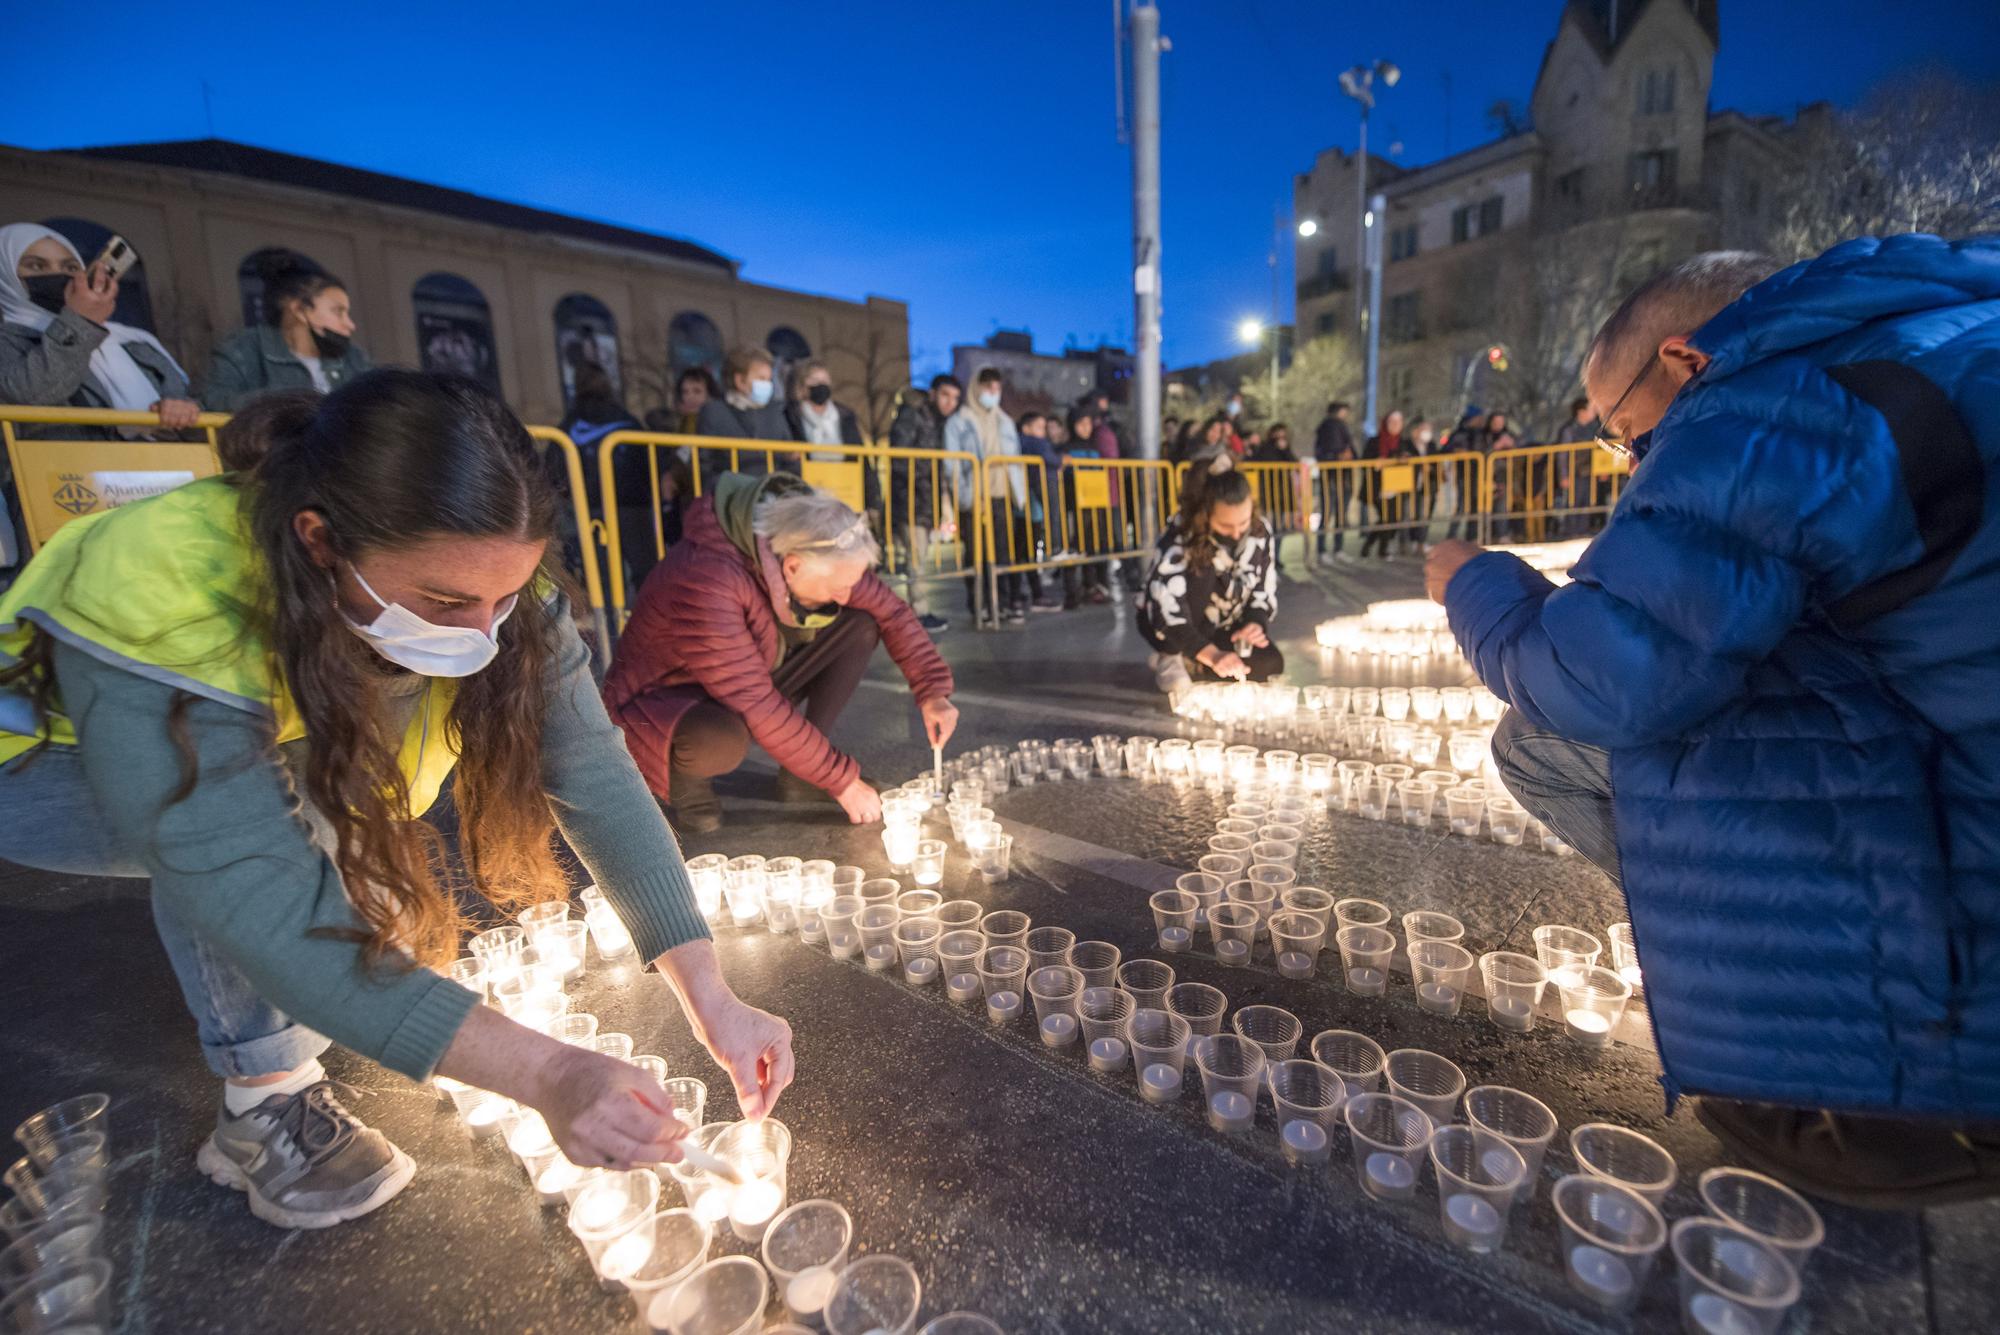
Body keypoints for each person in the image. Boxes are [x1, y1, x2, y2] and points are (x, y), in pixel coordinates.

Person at [0, 370, 791, 1228]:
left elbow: (595, 775)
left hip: (251, 755)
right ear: (318, 541)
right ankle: (263, 1104)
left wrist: (711, 993)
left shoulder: (496, 591)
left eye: (504, 597)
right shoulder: (169, 585)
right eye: (445, 601)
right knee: (278, 822)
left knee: (318, 817)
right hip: (44, 772)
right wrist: (548, 1074)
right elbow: (252, 880)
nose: (480, 632)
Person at [1426, 238, 2000, 1208]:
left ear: (1685, 359)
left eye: (1623, 433)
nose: (1631, 462)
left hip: (1951, 1013)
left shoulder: (1771, 404)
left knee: (1538, 745)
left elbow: (1599, 679)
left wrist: (1475, 584)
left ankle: (1791, 1007)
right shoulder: (1938, 336)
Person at [603, 474, 959, 834]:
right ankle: (686, 785)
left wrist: (933, 692)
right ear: (792, 566)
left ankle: (799, 774)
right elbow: (755, 701)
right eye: (838, 587)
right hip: (663, 703)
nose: (843, 596)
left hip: (740, 674)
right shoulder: (708, 579)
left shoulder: (819, 550)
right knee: (720, 742)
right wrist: (842, 780)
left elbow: (891, 612)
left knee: (860, 623)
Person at [0, 223, 198, 430]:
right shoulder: (9, 342)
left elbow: (192, 413)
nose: (58, 275)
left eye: (70, 268)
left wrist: (183, 413)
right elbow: (33, 395)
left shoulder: (133, 341)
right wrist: (80, 323)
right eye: (37, 266)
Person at [1139, 460, 1278, 694]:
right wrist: (1213, 655)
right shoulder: (1182, 535)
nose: (1236, 533)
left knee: (1269, 664)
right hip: (1174, 623)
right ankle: (1172, 655)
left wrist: (1254, 623)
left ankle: (1196, 658)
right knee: (1202, 574)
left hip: (1224, 623)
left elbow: (1263, 587)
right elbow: (1165, 605)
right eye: (1225, 525)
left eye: (1242, 523)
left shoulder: (1259, 531)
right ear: (1206, 514)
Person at [206, 251, 371, 410]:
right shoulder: (242, 351)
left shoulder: (354, 358)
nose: (350, 324)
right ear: (299, 310)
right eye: (338, 312)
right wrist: (284, 399)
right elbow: (213, 401)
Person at [560, 363, 661, 590]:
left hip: (591, 507)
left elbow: (555, 467)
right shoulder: (627, 421)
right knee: (645, 569)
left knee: (603, 576)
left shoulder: (570, 426)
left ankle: (609, 621)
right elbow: (647, 462)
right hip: (632, 504)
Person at [946, 368, 1023, 625]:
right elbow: (952, 464)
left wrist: (1017, 493)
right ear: (975, 388)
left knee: (1002, 553)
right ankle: (980, 604)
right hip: (975, 498)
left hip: (1001, 496)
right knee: (977, 554)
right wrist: (964, 495)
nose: (993, 392)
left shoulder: (1005, 422)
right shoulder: (960, 422)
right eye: (988, 386)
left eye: (997, 387)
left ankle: (1001, 603)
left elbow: (1016, 460)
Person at [886, 375, 959, 632]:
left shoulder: (941, 423)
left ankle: (917, 609)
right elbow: (900, 457)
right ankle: (919, 610)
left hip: (928, 501)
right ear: (933, 393)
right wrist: (918, 482)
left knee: (920, 555)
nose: (950, 402)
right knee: (915, 558)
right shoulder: (912, 414)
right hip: (911, 499)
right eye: (945, 395)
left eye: (954, 398)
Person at [784, 360, 881, 521]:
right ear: (802, 386)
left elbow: (861, 459)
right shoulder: (790, 416)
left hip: (845, 491)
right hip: (808, 493)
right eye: (815, 381)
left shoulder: (845, 416)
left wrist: (873, 500)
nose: (821, 385)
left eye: (825, 381)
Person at [697, 348, 796, 474]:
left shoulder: (775, 412)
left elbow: (790, 457)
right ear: (740, 381)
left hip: (773, 488)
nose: (767, 385)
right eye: (761, 378)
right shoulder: (714, 412)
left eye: (769, 379)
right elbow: (703, 463)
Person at [1013, 411, 1065, 611]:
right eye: (1040, 427)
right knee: (1023, 553)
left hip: (1027, 507)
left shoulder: (1021, 443)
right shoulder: (1034, 444)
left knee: (1024, 553)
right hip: (1027, 507)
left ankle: (1027, 594)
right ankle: (1026, 595)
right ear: (1026, 427)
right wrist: (1059, 460)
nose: (1043, 432)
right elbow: (1050, 458)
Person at [1359, 409, 1416, 559]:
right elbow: (1364, 463)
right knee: (1386, 517)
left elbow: (1414, 460)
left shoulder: (1404, 443)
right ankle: (1381, 550)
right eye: (1392, 421)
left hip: (1397, 486)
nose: (1396, 425)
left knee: (1392, 518)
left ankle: (1369, 545)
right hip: (1378, 487)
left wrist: (1406, 459)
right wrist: (1375, 463)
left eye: (1399, 422)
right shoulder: (1374, 442)